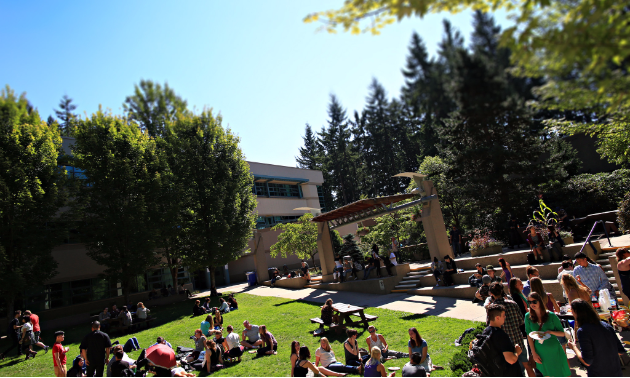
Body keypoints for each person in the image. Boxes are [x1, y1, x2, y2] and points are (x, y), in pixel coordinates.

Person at [567, 299, 625, 377]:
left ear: (577, 312)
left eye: (572, 311)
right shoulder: (606, 325)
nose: (572, 313)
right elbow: (620, 351)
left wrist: (574, 347)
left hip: (598, 373)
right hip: (616, 372)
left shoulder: (583, 331)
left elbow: (587, 361)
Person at [485, 284, 530, 376]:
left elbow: (490, 325)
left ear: (492, 294)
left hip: (504, 349)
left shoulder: (493, 309)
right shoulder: (513, 304)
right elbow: (521, 321)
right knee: (526, 367)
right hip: (519, 342)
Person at [524, 292, 570, 377]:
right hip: (540, 351)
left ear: (540, 301)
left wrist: (551, 332)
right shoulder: (527, 316)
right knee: (546, 374)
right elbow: (529, 336)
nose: (532, 304)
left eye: (534, 301)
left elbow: (562, 333)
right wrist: (533, 353)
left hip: (554, 350)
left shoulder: (551, 315)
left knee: (560, 374)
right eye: (529, 302)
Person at [482, 304, 522, 377]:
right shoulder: (501, 335)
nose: (505, 317)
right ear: (497, 318)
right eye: (503, 315)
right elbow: (511, 360)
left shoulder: (485, 332)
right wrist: (517, 351)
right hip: (508, 373)